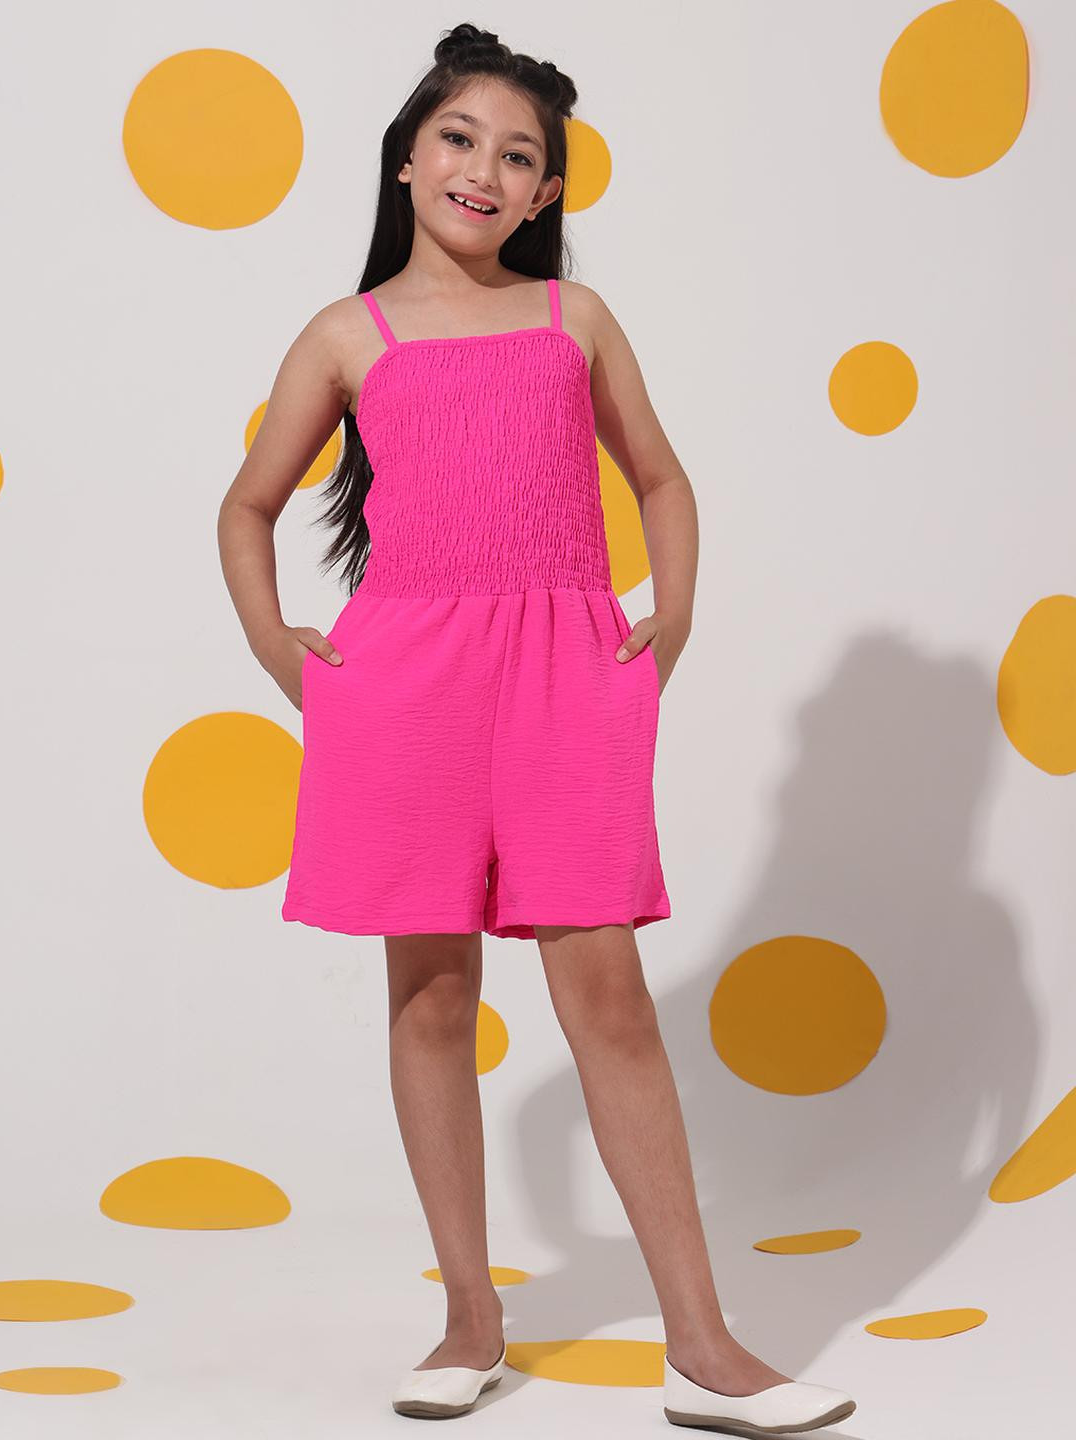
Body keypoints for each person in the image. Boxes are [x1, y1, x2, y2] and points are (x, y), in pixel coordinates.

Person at [217, 21, 855, 1434]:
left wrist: (666, 623)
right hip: (404, 687)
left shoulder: (577, 320)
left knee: (606, 990)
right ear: (406, 156)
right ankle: (470, 1313)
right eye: (460, 138)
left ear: (547, 191)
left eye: (520, 157)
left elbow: (662, 478)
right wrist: (281, 649)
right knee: (431, 994)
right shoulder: (347, 335)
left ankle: (701, 1343)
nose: (485, 170)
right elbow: (247, 505)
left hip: (567, 671)